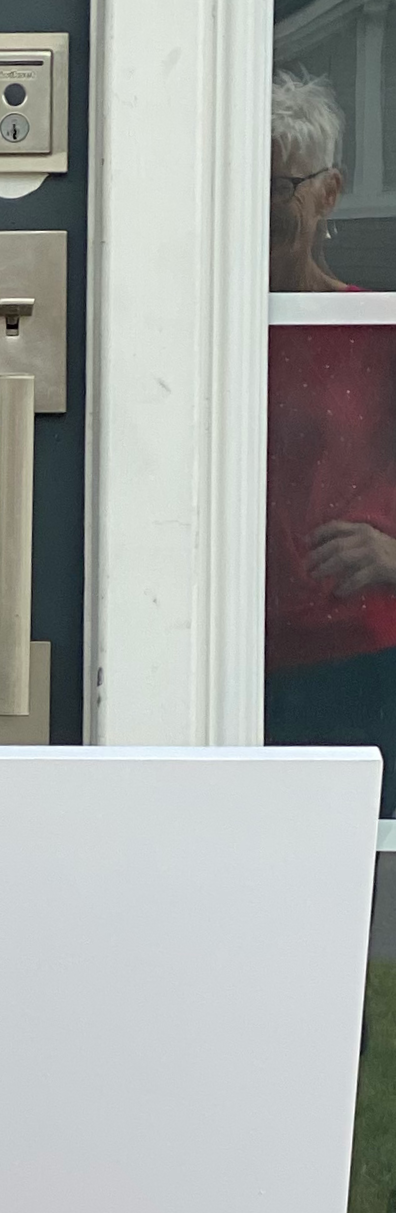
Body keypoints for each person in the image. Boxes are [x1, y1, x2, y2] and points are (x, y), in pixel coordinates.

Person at [264, 68, 396, 807]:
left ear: (329, 192)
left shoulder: (375, 329)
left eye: (280, 186)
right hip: (224, 661)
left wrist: (391, 557)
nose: (257, 207)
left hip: (359, 662)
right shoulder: (197, 330)